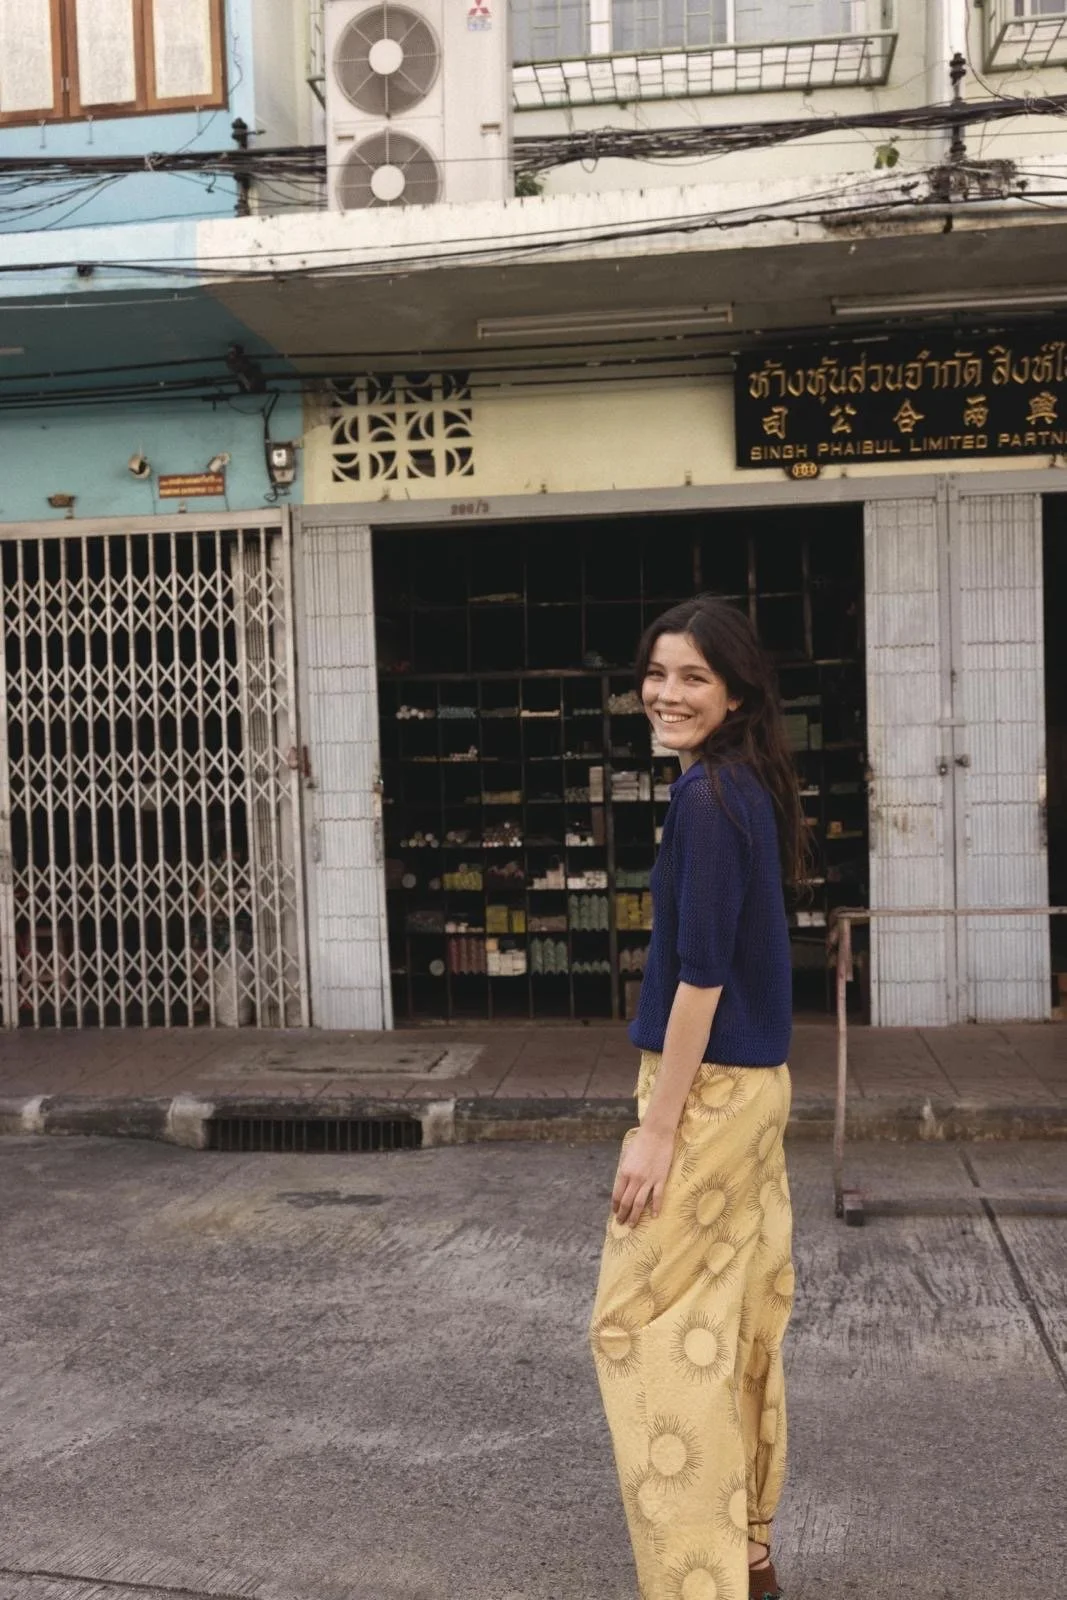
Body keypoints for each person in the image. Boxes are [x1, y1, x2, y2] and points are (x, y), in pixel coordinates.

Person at [589, 595, 806, 1600]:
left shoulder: (706, 802)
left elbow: (700, 977)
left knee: (638, 1327)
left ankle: (699, 1580)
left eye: (691, 678)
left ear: (733, 694)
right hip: (754, 1088)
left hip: (708, 1092)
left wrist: (655, 1126)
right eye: (657, 673)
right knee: (735, 1322)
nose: (666, 693)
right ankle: (747, 1553)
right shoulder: (746, 785)